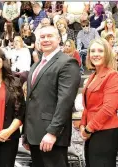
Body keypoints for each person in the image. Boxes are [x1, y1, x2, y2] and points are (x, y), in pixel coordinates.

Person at [23, 25, 80, 167]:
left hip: (51, 136)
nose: (45, 40)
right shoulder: (36, 66)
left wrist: (53, 132)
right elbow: (31, 101)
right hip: (34, 135)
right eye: (42, 37)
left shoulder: (67, 62)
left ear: (59, 39)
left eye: (50, 36)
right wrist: (26, 134)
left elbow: (65, 102)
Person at [79, 38, 118, 167]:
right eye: (92, 51)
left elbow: (108, 108)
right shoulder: (92, 77)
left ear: (107, 54)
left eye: (100, 50)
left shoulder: (112, 76)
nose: (95, 54)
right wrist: (83, 125)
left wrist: (88, 129)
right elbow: (87, 106)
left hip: (106, 132)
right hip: (92, 132)